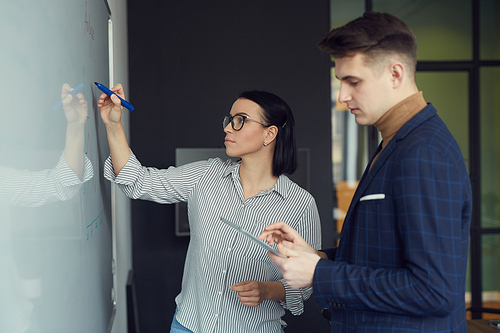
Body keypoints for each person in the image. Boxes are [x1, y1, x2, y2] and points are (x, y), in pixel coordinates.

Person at [259, 12, 472, 333]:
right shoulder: (396, 141)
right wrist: (315, 256)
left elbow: (434, 291)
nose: (343, 96)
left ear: (395, 74)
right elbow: (383, 256)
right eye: (341, 81)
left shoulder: (425, 153)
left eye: (353, 82)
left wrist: (318, 274)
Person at [98, 86, 321, 333]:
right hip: (188, 326)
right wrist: (112, 124)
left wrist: (268, 290)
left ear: (269, 134)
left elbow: (307, 283)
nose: (227, 127)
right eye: (229, 120)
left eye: (240, 121)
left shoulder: (300, 205)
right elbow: (138, 182)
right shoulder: (205, 175)